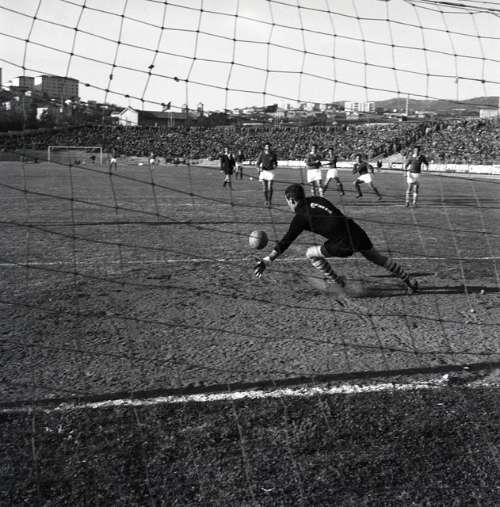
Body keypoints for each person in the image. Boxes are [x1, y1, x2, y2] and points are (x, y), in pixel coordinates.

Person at [254, 183, 418, 294]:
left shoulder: (300, 217)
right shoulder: (318, 199)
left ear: (292, 200)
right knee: (377, 257)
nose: (288, 205)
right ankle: (408, 279)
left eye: (287, 202)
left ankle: (337, 281)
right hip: (354, 230)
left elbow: (286, 241)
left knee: (310, 253)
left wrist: (267, 260)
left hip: (342, 243)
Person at [256, 142, 278, 207]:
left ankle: (270, 201)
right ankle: (266, 200)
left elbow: (275, 162)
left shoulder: (273, 154)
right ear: (264, 147)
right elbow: (257, 163)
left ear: (270, 147)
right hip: (264, 172)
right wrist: (258, 168)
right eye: (266, 146)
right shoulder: (261, 154)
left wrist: (275, 165)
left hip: (271, 172)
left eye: (268, 146)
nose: (267, 147)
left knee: (270, 187)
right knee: (265, 188)